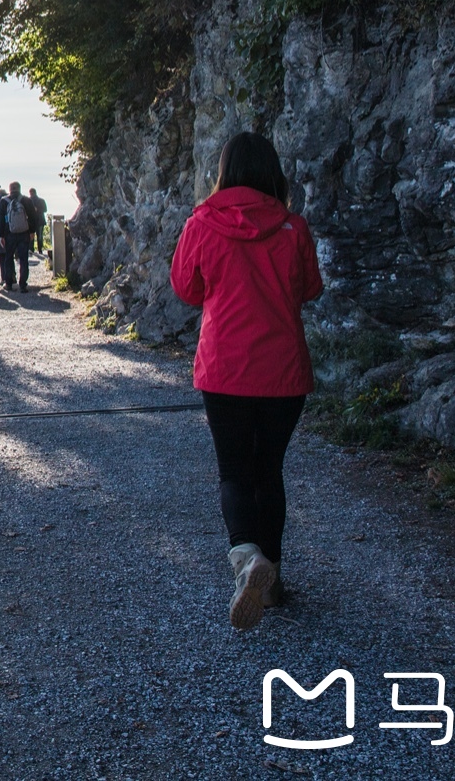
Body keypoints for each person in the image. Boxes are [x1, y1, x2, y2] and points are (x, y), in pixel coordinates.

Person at [171, 131, 322, 631]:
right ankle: (272, 582)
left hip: (225, 368)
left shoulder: (202, 223)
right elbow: (308, 289)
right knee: (269, 470)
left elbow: (186, 288)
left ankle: (246, 559)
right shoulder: (293, 227)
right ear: (271, 172)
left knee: (235, 472)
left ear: (225, 171)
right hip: (283, 368)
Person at [0, 180, 35, 290]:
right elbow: (33, 216)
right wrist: (32, 231)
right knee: (23, 259)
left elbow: (0, 219)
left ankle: (8, 283)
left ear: (9, 189)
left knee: (8, 258)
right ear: (19, 188)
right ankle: (23, 284)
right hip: (24, 233)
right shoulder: (26, 200)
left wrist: (1, 235)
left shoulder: (4, 201)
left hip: (9, 233)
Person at [27, 187, 49, 252]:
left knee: (33, 236)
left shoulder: (29, 201)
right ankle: (39, 249)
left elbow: (45, 210)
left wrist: (37, 209)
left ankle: (33, 249)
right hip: (38, 220)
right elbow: (45, 210)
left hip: (34, 221)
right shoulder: (41, 200)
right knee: (38, 236)